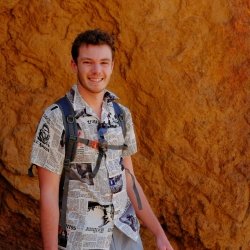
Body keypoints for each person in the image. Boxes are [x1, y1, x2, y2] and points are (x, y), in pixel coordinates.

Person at [30, 29, 174, 250]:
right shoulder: (57, 117)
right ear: (74, 65)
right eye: (88, 62)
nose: (97, 70)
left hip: (127, 235)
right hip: (83, 240)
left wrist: (158, 232)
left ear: (112, 66)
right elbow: (48, 193)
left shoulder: (121, 114)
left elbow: (129, 179)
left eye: (104, 62)